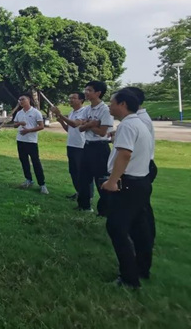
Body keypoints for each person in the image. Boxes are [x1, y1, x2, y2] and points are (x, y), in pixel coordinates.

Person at [101, 89, 154, 288]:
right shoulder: (138, 123)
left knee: (116, 227)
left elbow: (124, 155)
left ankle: (129, 278)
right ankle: (142, 268)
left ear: (122, 104)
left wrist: (112, 181)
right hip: (141, 182)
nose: (109, 106)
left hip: (128, 184)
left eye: (112, 102)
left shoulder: (128, 125)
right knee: (139, 228)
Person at [77, 81, 114, 215]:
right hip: (87, 145)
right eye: (86, 90)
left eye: (89, 90)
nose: (86, 93)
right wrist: (91, 124)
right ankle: (84, 205)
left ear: (98, 93)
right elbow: (80, 128)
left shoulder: (104, 110)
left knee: (101, 178)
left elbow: (102, 132)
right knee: (84, 177)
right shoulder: (87, 109)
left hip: (100, 147)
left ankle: (105, 210)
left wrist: (89, 124)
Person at [126, 86, 157, 239]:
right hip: (142, 165)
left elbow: (130, 150)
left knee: (141, 207)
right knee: (139, 205)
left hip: (142, 166)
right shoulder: (138, 119)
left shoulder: (140, 120)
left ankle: (146, 239)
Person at [51, 92, 89, 199]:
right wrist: (61, 122)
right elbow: (69, 129)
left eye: (73, 98)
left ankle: (87, 195)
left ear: (81, 100)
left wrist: (60, 115)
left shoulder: (84, 111)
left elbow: (75, 124)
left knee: (81, 171)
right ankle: (79, 192)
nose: (70, 100)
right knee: (73, 171)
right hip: (71, 144)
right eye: (70, 98)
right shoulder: (72, 112)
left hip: (80, 146)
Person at [13, 93, 48, 194]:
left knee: (36, 162)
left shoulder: (36, 112)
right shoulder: (19, 113)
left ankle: (42, 184)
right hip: (20, 140)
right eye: (19, 100)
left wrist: (28, 130)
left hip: (31, 141)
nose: (21, 101)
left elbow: (41, 126)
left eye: (22, 99)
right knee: (24, 161)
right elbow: (14, 125)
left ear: (28, 100)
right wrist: (19, 123)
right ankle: (28, 179)